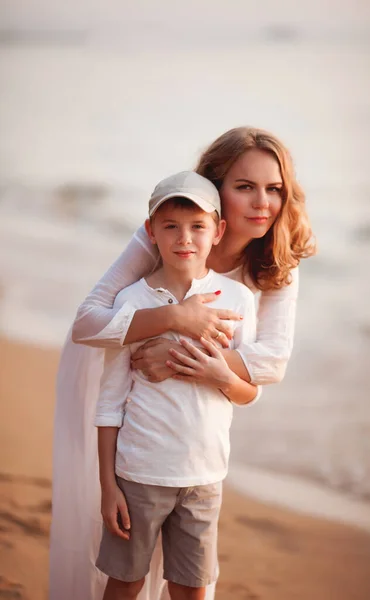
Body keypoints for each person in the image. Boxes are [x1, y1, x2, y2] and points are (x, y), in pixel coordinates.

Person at [49, 126, 316, 600]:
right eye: (244, 186)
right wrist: (177, 317)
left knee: (189, 571)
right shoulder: (169, 230)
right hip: (119, 366)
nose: (262, 203)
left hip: (193, 411)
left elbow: (271, 362)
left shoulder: (278, 261)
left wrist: (176, 356)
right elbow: (89, 322)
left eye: (274, 189)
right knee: (113, 540)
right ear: (215, 189)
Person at [95, 170, 260, 600]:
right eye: (170, 225)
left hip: (205, 475)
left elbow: (246, 391)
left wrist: (220, 374)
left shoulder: (238, 301)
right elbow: (110, 401)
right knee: (126, 581)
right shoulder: (132, 302)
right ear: (151, 231)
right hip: (139, 473)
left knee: (192, 588)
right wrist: (108, 485)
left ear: (218, 231)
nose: (184, 238)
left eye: (197, 226)